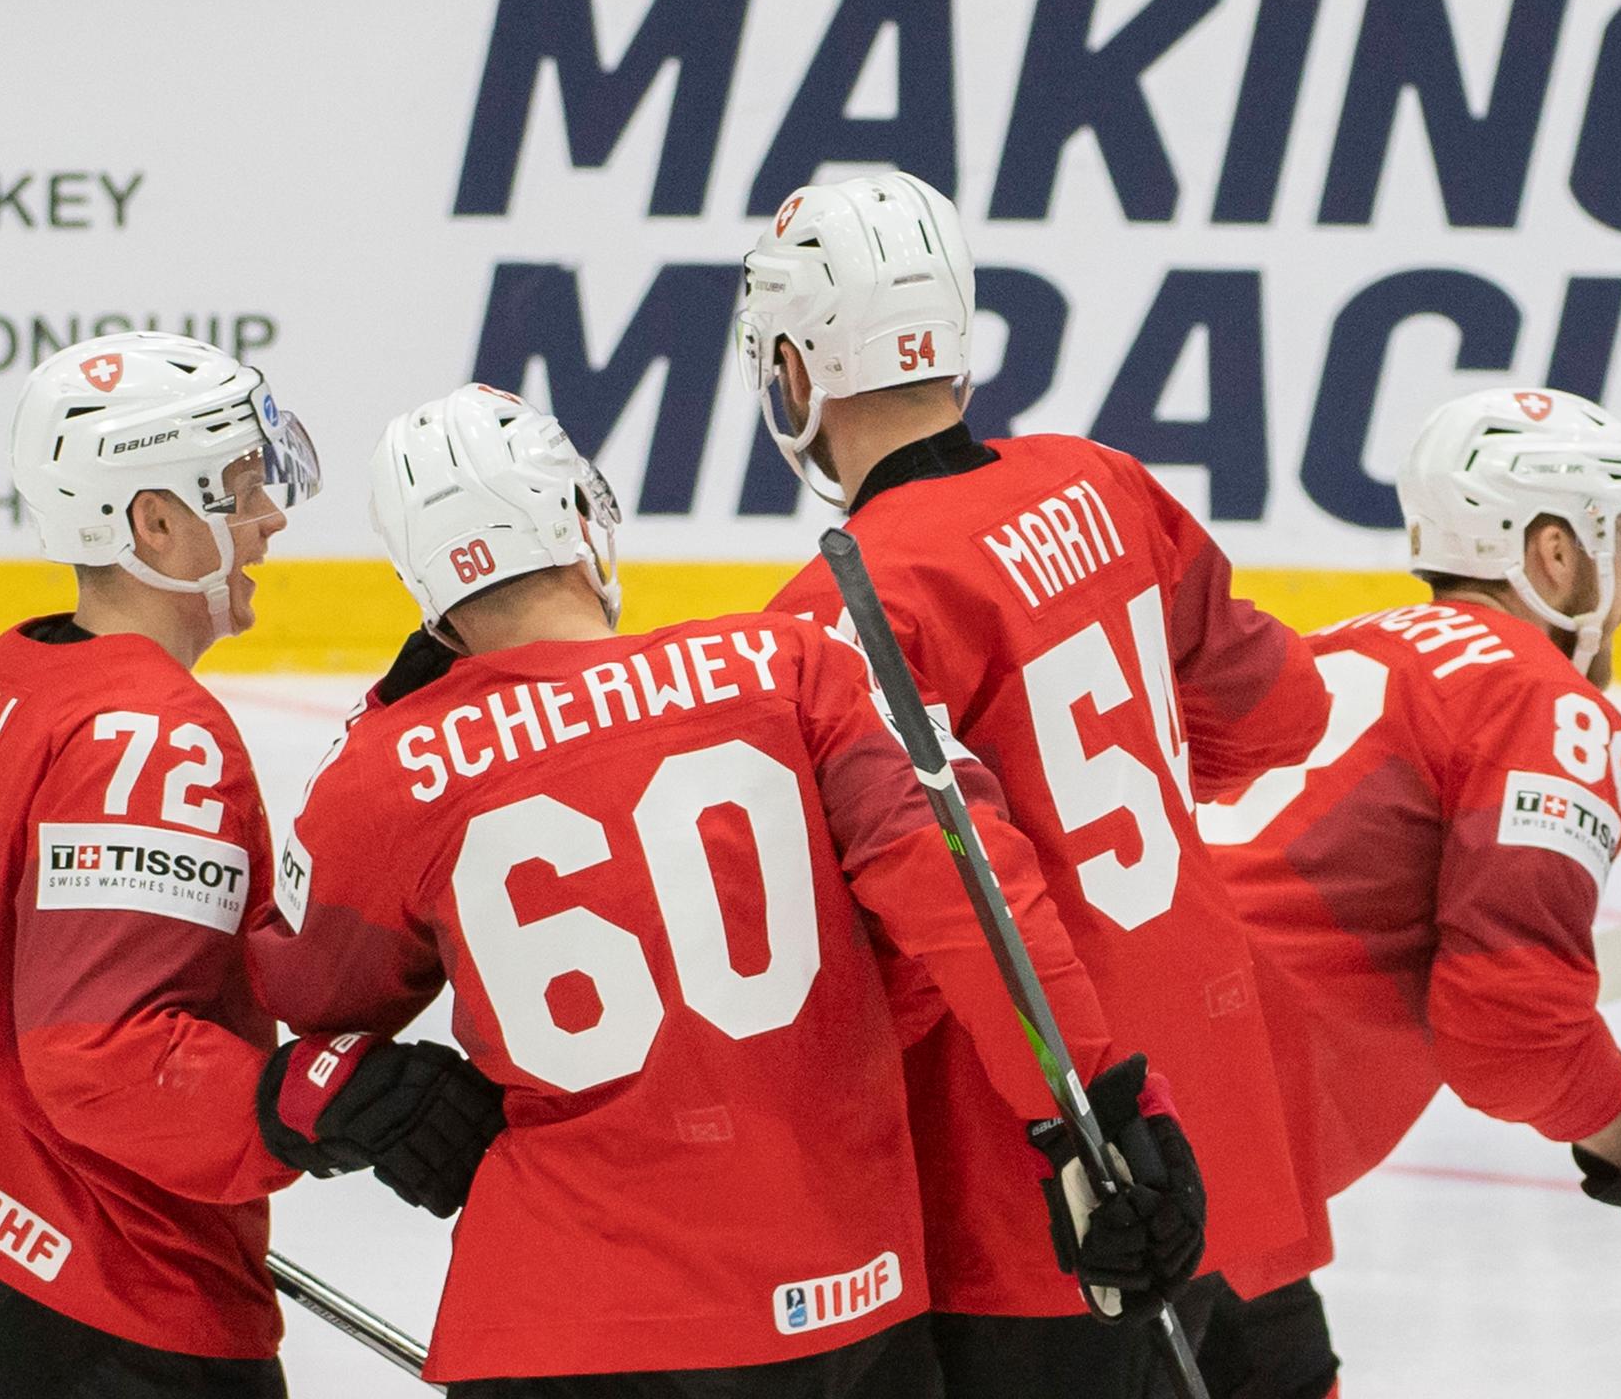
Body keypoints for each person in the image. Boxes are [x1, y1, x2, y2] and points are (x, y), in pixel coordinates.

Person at [248, 384, 1201, 1395]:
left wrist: (387, 712)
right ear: (580, 517)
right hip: (840, 1306)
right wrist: (1093, 1105)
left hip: (557, 1327)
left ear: (426, 598)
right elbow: (967, 891)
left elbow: (311, 996)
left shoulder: (392, 767)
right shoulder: (792, 665)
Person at [748, 171, 1333, 1399]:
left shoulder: (843, 608)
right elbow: (1283, 709)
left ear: (794, 369)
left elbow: (957, 900)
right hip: (1225, 1117)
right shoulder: (1102, 481)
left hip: (1053, 1177)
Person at [0, 331, 459, 1397]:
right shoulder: (153, 733)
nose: (269, 519)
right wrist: (304, 1096)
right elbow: (108, 1055)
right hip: (103, 1290)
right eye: (237, 493)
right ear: (155, 524)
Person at [1195, 387, 1621, 1396]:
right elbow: (1509, 1033)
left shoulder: (1339, 645)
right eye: (1619, 540)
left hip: (1148, 1105)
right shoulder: (1544, 706)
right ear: (1551, 552)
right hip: (1203, 1149)